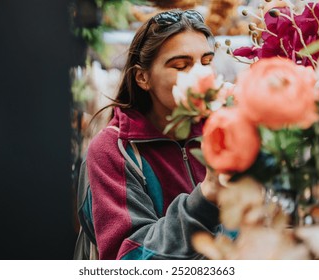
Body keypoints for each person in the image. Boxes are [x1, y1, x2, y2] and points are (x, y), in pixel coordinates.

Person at [84, 9, 225, 260]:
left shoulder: (219, 129)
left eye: (206, 62)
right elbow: (129, 259)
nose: (199, 75)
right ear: (142, 77)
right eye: (181, 65)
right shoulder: (114, 150)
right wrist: (207, 196)